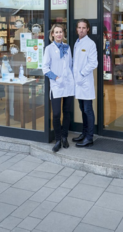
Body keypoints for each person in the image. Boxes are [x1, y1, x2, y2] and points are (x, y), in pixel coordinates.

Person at [41, 24, 75, 152]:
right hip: (56, 84)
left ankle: (65, 137)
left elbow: (70, 66)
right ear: (52, 34)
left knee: (67, 112)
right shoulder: (49, 49)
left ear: (63, 34)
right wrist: (56, 78)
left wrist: (71, 80)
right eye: (56, 32)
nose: (59, 34)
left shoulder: (67, 47)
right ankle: (58, 139)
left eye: (61, 32)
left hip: (68, 85)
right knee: (56, 114)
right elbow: (45, 68)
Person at [72, 19, 98, 147]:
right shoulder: (77, 42)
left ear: (88, 29)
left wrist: (82, 74)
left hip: (85, 82)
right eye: (79, 27)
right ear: (76, 29)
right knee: (82, 109)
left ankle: (89, 137)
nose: (81, 30)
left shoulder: (90, 44)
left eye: (84, 28)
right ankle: (84, 133)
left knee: (88, 110)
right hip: (78, 83)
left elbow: (93, 63)